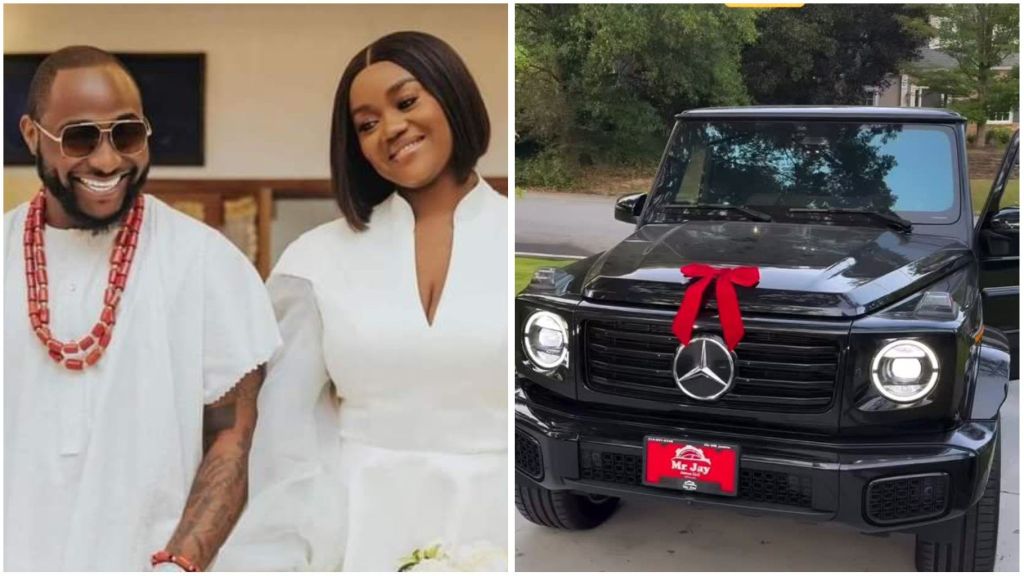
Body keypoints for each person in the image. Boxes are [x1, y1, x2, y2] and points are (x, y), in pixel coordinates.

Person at [215, 31, 507, 571]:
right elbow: (286, 440)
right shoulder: (315, 260)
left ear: (452, 94)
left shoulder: (526, 240)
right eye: (366, 124)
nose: (391, 129)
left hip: (506, 518)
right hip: (358, 531)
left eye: (407, 101)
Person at [3, 46, 281, 571]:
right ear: (32, 135)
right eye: (80, 137)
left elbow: (234, 435)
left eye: (126, 134)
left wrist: (180, 561)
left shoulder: (204, 262)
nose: (107, 161)